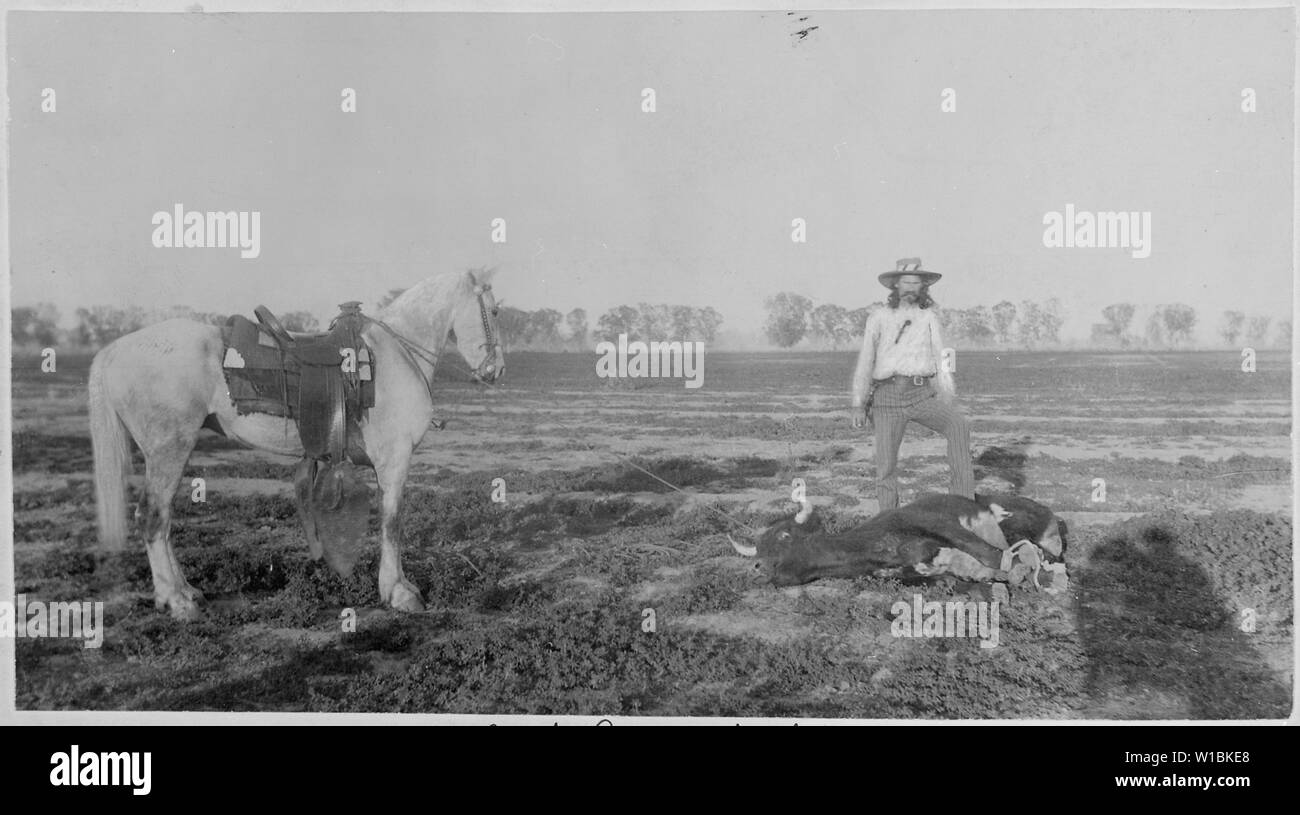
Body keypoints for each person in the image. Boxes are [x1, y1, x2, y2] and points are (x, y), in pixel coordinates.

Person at [850, 258, 974, 510]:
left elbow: (942, 357)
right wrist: (858, 403)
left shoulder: (929, 317)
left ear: (923, 287)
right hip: (886, 398)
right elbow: (866, 360)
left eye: (915, 282)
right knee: (886, 466)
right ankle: (888, 521)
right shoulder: (879, 317)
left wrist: (947, 393)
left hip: (921, 395)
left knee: (958, 424)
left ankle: (963, 505)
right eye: (905, 281)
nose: (910, 287)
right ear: (895, 285)